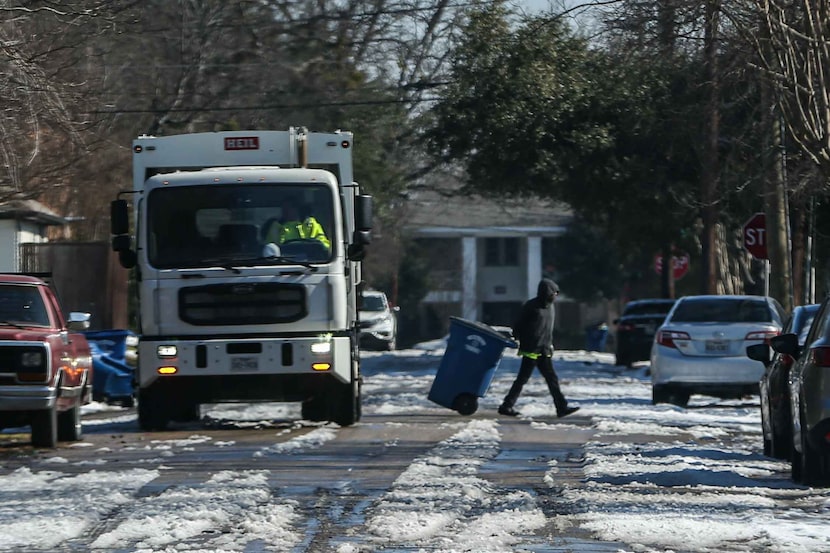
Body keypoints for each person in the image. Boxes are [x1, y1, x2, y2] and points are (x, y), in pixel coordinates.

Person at [498, 278, 580, 418]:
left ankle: (561, 407)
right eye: (554, 293)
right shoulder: (531, 306)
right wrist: (518, 337)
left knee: (551, 378)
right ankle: (507, 406)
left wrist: (550, 345)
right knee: (523, 378)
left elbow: (547, 330)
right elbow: (519, 324)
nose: (556, 296)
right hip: (531, 350)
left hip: (544, 349)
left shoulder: (551, 308)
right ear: (547, 293)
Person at [264, 200, 330, 250]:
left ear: (296, 209)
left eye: (288, 208)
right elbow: (269, 248)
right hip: (283, 262)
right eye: (283, 209)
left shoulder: (310, 224)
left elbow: (323, 245)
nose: (285, 212)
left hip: (310, 261)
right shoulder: (276, 227)